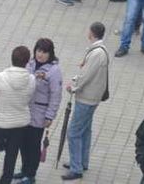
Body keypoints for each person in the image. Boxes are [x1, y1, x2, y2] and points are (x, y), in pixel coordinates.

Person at [61, 23, 109, 181]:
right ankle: (82, 162)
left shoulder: (96, 54)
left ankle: (76, 168)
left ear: (92, 33)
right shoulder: (100, 50)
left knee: (74, 132)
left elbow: (87, 75)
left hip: (87, 98)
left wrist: (73, 87)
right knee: (85, 130)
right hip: (93, 96)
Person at [0, 46, 33, 184]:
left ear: (12, 58)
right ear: (27, 61)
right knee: (11, 156)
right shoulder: (31, 79)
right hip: (20, 125)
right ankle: (5, 181)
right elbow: (29, 98)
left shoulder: (1, 77)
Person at [18, 39, 63, 184]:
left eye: (44, 52)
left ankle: (31, 175)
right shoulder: (30, 64)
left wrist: (50, 116)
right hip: (25, 111)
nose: (40, 55)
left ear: (50, 54)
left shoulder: (54, 71)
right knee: (23, 143)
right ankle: (24, 170)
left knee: (33, 144)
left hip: (39, 114)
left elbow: (56, 95)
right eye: (38, 50)